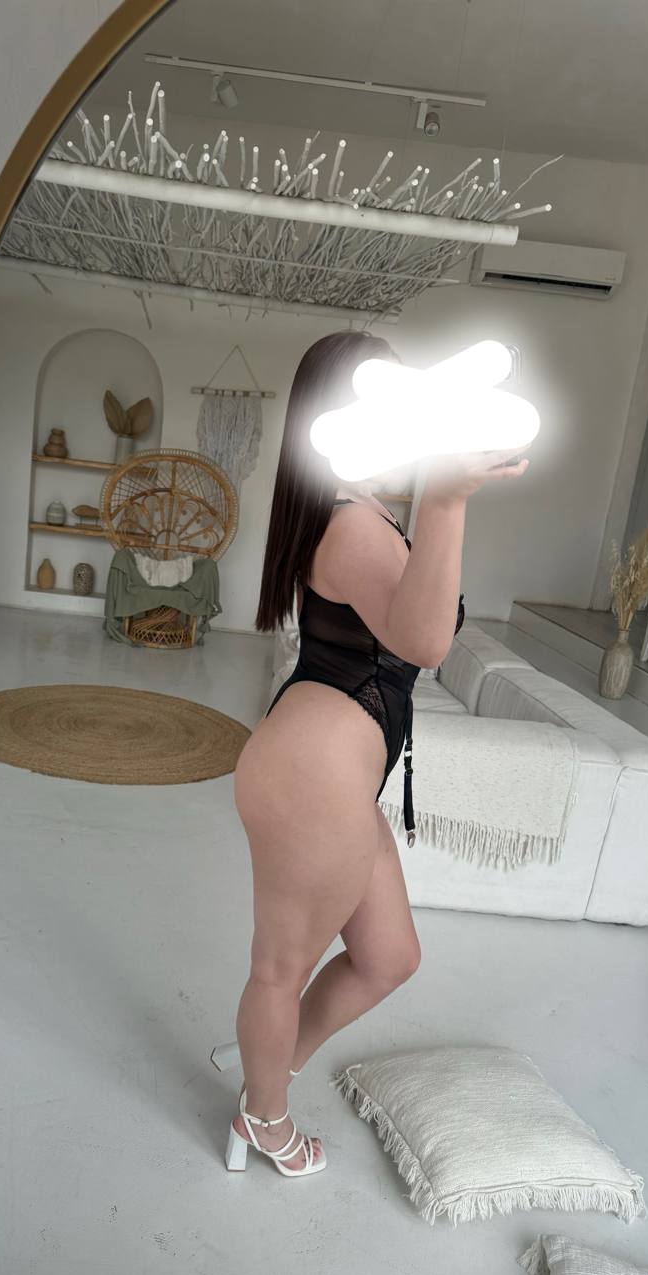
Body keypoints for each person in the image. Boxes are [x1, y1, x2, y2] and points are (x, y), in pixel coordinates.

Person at [224, 330, 530, 1177]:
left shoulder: (356, 511)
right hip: (313, 775)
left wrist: (440, 496)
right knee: (280, 970)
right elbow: (426, 642)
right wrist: (449, 500)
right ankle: (264, 1119)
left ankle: (265, 1068)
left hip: (330, 771)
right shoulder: (354, 525)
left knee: (390, 957)